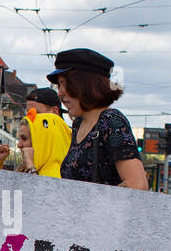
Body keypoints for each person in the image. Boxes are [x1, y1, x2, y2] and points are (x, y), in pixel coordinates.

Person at [51, 48, 148, 189]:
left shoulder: (111, 121)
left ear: (86, 84)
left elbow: (138, 185)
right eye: (59, 85)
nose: (60, 93)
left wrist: (100, 206)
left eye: (65, 84)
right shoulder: (79, 124)